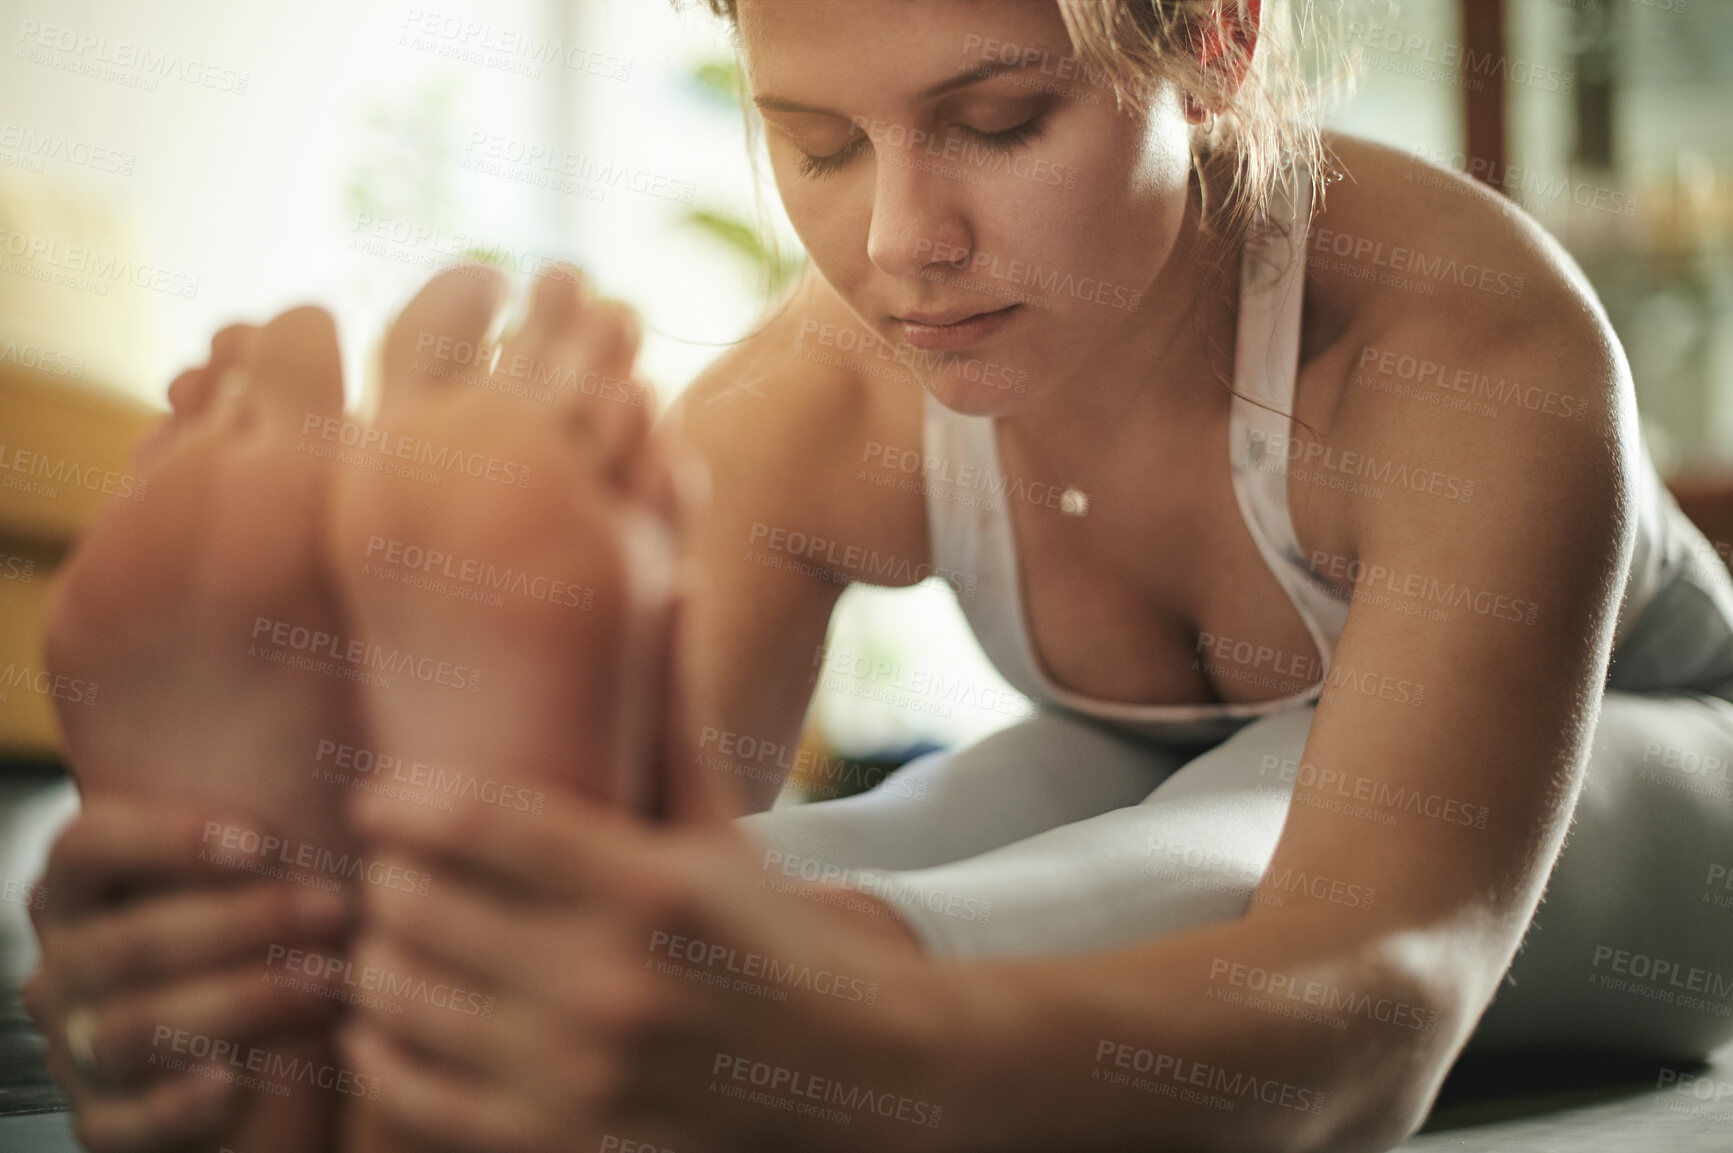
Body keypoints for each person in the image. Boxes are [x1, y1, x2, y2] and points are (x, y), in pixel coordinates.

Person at [22, 1, 1733, 1151]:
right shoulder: (819, 389)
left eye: (996, 122)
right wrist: (282, 941)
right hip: (1155, 758)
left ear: (1214, 35)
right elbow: (647, 847)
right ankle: (345, 977)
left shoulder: (1455, 341)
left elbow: (1387, 986)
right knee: (859, 837)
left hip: (1651, 782)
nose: (897, 245)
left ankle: (716, 1022)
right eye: (819, 147)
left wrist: (816, 1058)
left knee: (1233, 815)